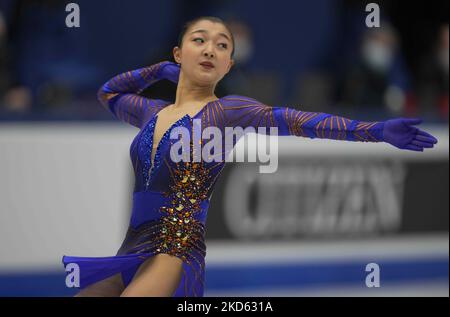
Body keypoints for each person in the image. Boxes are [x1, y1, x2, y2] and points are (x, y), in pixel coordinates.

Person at [62, 16, 438, 297]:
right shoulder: (151, 113)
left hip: (174, 253)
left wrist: (376, 132)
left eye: (223, 46)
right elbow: (108, 94)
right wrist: (156, 70)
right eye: (199, 40)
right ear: (179, 54)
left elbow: (301, 122)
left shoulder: (229, 112)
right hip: (130, 250)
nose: (211, 49)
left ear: (229, 66)